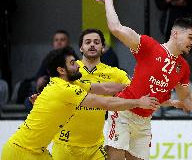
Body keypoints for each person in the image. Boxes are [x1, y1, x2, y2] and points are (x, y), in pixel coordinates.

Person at [97, 0, 192, 160]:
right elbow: (116, 28)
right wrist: (108, 1)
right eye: (191, 37)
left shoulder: (182, 67)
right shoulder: (148, 46)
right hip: (123, 112)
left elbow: (186, 98)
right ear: (175, 34)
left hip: (144, 121)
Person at [1, 47, 159, 160]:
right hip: (20, 152)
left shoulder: (72, 84)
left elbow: (104, 87)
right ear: (61, 70)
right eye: (72, 63)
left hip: (37, 151)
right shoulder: (65, 89)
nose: (78, 65)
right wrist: (138, 101)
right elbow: (106, 102)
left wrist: (137, 85)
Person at [51, 28, 130, 160]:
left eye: (96, 42)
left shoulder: (116, 74)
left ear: (103, 47)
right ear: (81, 48)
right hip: (64, 146)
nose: (92, 45)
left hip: (95, 148)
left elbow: (135, 90)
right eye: (87, 42)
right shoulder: (69, 70)